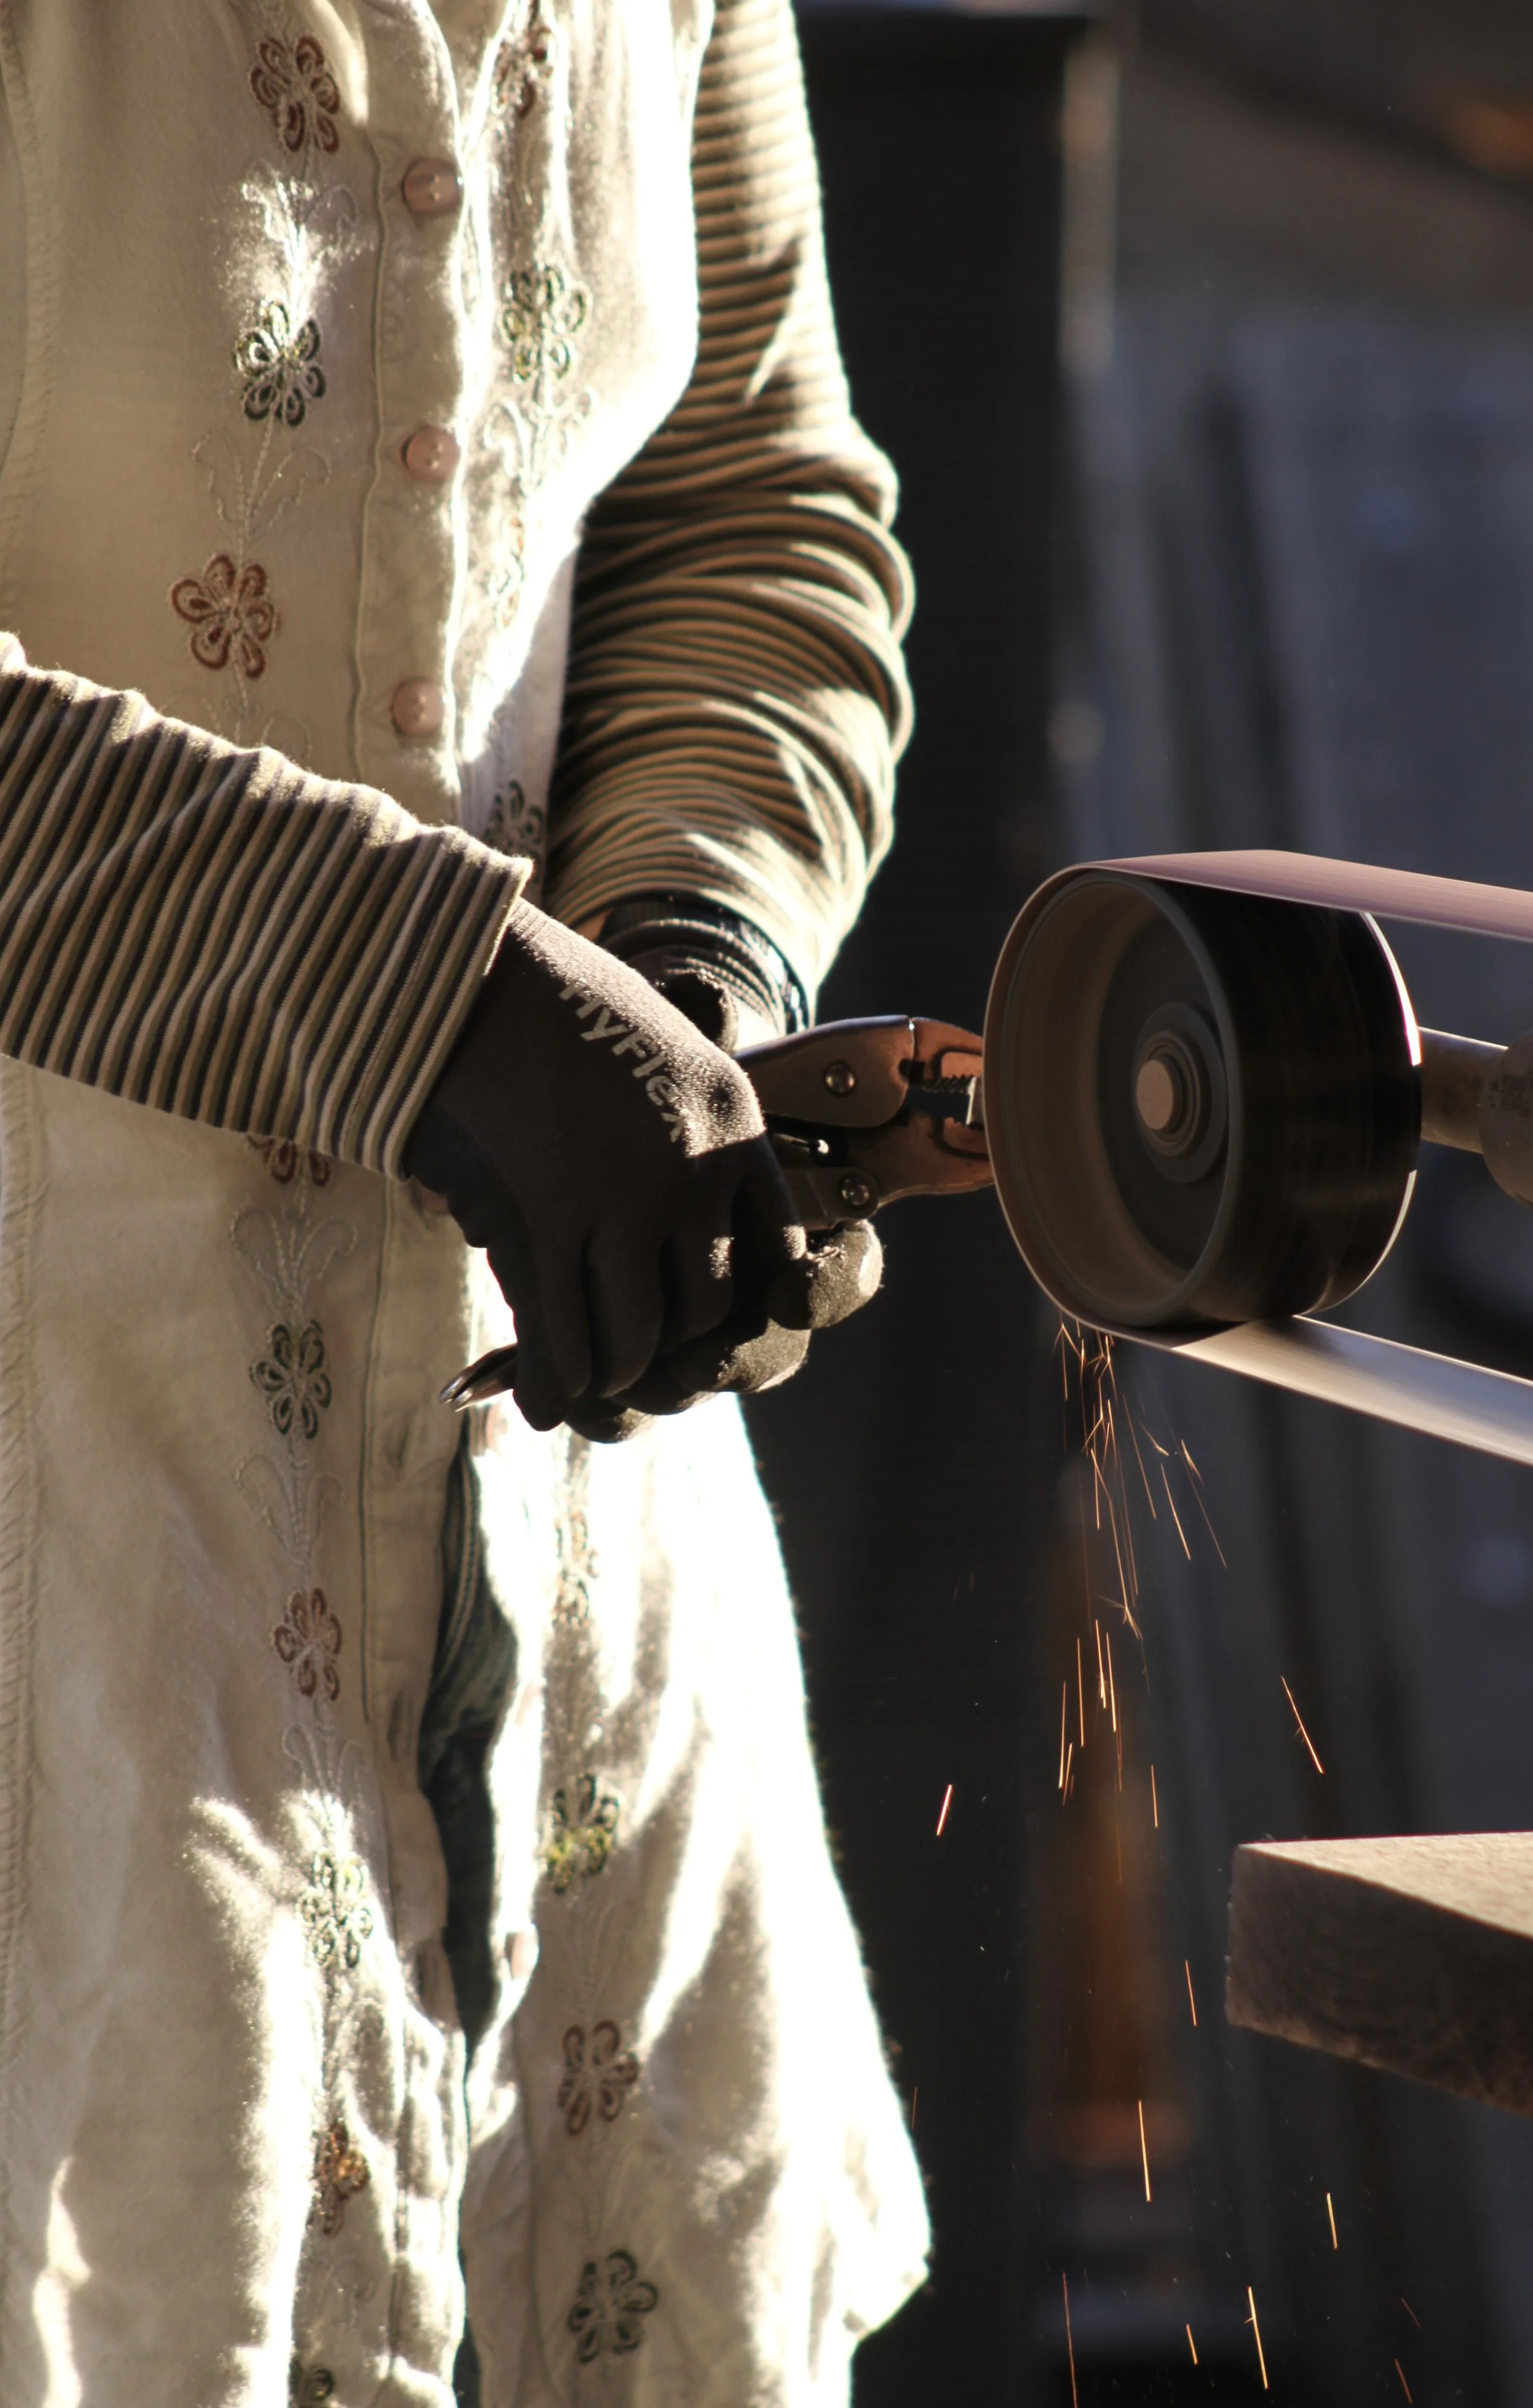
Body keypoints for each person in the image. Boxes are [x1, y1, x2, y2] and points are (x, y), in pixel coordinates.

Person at [0, 4, 928, 2403]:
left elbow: (742, 496)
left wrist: (686, 978)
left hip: (571, 1539)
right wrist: (443, 1008)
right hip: (65, 1557)